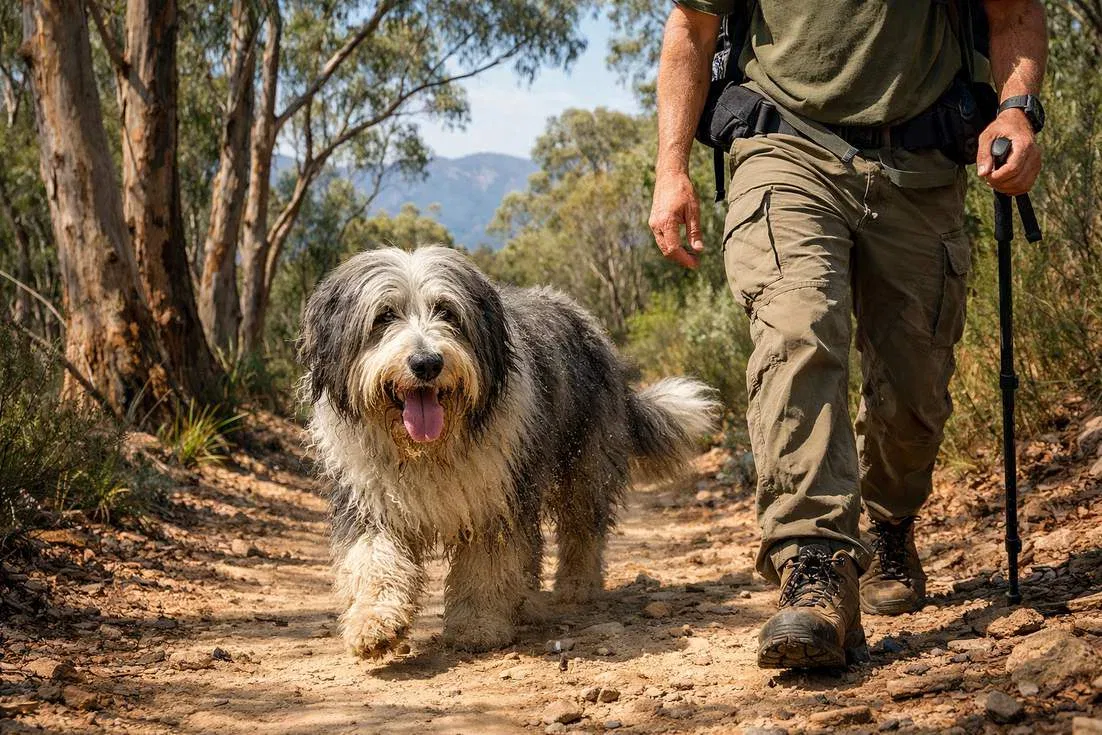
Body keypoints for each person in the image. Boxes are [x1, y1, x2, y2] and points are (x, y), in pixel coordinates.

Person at [650, 0, 1047, 669]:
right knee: (796, 332)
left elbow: (1014, 16)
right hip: (783, 146)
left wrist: (1017, 111)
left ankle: (892, 521)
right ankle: (813, 566)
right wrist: (671, 167)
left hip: (919, 159)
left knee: (916, 391)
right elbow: (691, 29)